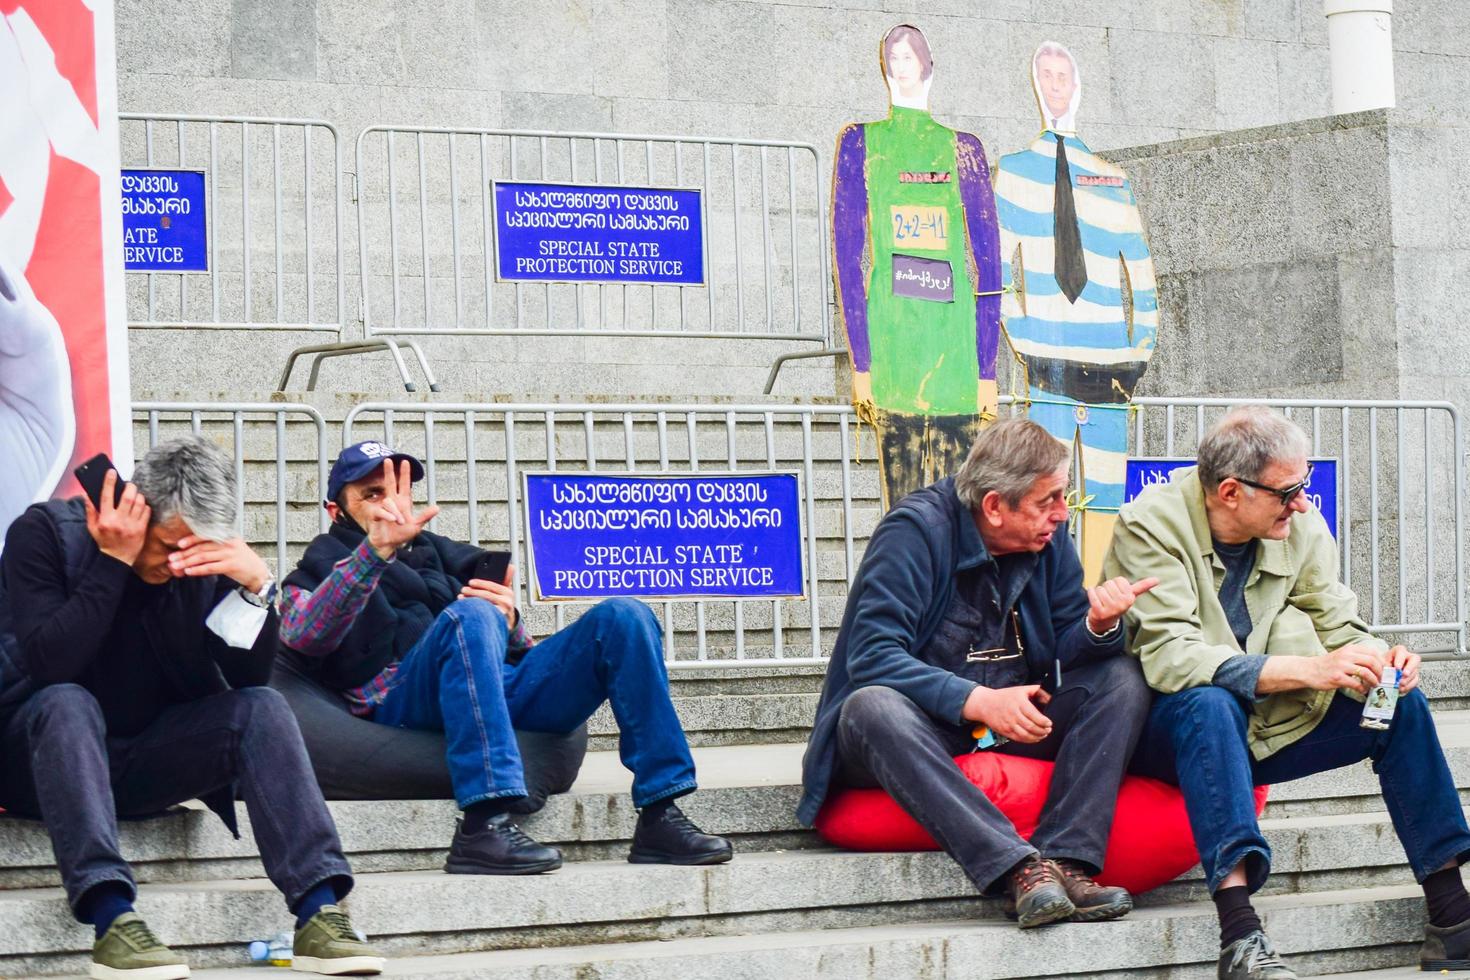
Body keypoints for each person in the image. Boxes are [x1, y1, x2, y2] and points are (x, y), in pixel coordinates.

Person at [1105, 406, 1470, 979]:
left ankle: (1453, 916)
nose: (1302, 502)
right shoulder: (1148, 525)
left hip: (1260, 725)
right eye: (1288, 492)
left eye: (1302, 488)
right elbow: (1174, 659)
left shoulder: (1298, 524)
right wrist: (1309, 669)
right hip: (1167, 732)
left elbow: (1339, 622)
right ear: (1230, 491)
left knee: (1399, 704)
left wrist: (1382, 658)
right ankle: (1240, 937)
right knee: (1208, 701)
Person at [0, 436, 382, 979]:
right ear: (136, 509)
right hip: (34, 758)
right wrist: (114, 561)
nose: (178, 563)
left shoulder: (199, 563)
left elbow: (246, 681)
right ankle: (114, 920)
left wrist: (255, 590)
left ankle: (319, 911)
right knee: (67, 701)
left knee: (263, 707)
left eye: (193, 550)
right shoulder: (44, 534)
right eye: (167, 546)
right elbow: (49, 664)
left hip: (140, 761)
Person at [278, 441, 733, 875]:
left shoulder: (441, 554)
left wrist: (510, 616)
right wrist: (373, 554)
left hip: (489, 684)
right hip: (399, 702)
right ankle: (483, 825)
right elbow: (303, 633)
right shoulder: (315, 569)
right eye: (371, 494)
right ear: (337, 511)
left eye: (396, 490)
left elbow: (520, 649)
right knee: (471, 614)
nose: (388, 503)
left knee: (625, 616)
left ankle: (660, 813)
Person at [798, 418, 1156, 928]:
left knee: (1119, 675)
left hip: (1008, 724)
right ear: (993, 505)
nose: (1061, 513)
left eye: (1063, 497)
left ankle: (1067, 863)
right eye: (1047, 500)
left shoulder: (1048, 539)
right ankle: (1018, 870)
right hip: (918, 727)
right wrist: (979, 701)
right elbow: (872, 656)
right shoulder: (915, 532)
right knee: (870, 705)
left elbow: (1066, 650)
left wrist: (1099, 624)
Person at [993, 40, 1159, 580]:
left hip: (1111, 356)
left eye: (1064, 74)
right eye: (1047, 74)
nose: (1056, 84)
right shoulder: (1015, 171)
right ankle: (1057, 597)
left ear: (1078, 83)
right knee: (1047, 486)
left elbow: (1138, 265)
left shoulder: (1110, 176)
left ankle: (1100, 598)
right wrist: (1021, 335)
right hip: (1046, 353)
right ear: (1034, 82)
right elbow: (1002, 263)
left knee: (1107, 492)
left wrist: (1141, 344)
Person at [831, 23, 1003, 509]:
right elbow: (849, 260)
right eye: (893, 58)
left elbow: (989, 267)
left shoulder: (963, 149)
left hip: (956, 367)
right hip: (893, 364)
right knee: (904, 518)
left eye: (908, 56)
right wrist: (862, 365)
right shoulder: (860, 144)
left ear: (927, 65)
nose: (899, 66)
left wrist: (986, 370)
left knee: (961, 518)